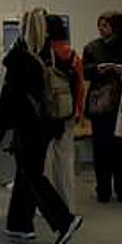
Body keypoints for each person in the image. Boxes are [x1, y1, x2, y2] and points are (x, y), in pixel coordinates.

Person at [0, 6, 83, 244]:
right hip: (47, 124)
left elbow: (8, 98)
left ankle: (64, 221)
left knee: (31, 175)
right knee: (25, 174)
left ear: (23, 28)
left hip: (27, 125)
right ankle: (19, 224)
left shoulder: (20, 58)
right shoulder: (49, 56)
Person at [82, 9, 122, 204]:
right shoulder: (92, 47)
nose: (101, 29)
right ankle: (103, 190)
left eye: (105, 25)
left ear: (117, 27)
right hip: (100, 105)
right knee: (101, 149)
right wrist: (97, 69)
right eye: (99, 25)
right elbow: (84, 72)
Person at [42, 14, 84, 209]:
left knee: (45, 162)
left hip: (48, 115)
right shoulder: (73, 55)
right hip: (68, 114)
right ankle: (68, 205)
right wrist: (78, 111)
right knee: (66, 161)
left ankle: (46, 206)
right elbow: (80, 87)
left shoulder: (44, 55)